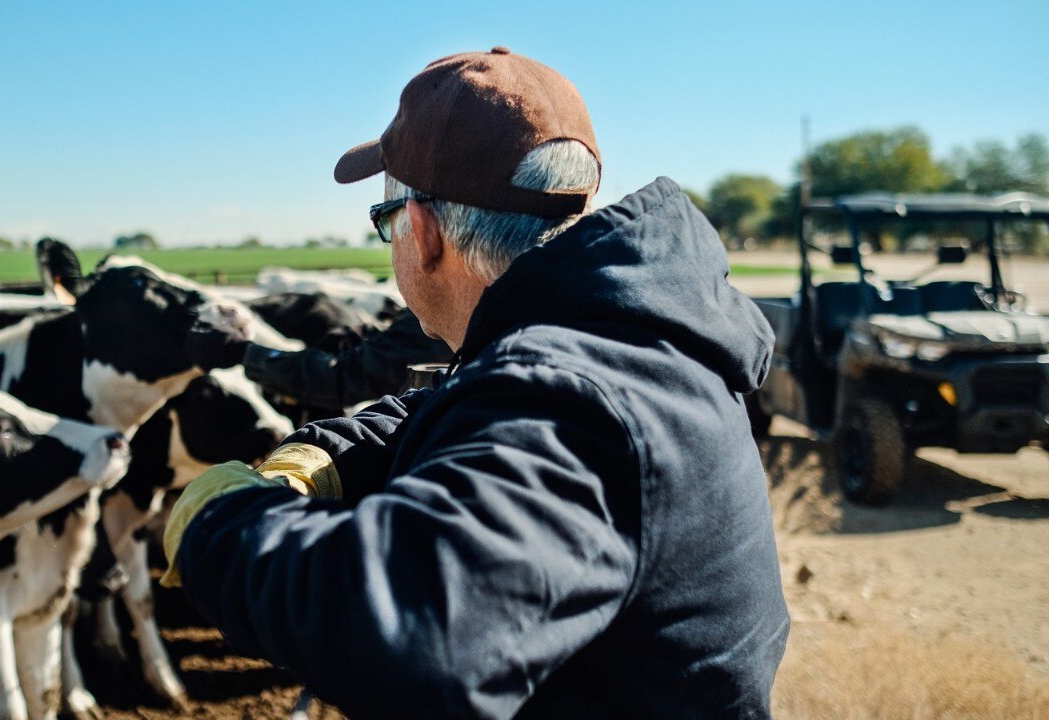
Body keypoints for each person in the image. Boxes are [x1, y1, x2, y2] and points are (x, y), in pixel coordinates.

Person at [166, 47, 789, 719]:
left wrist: (217, 522)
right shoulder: (624, 336)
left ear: (423, 231)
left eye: (385, 221)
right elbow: (463, 402)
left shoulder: (567, 396)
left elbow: (409, 637)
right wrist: (329, 457)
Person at [187, 306, 453, 414]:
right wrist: (370, 335)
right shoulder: (469, 302)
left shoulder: (443, 315)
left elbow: (341, 378)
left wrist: (241, 351)